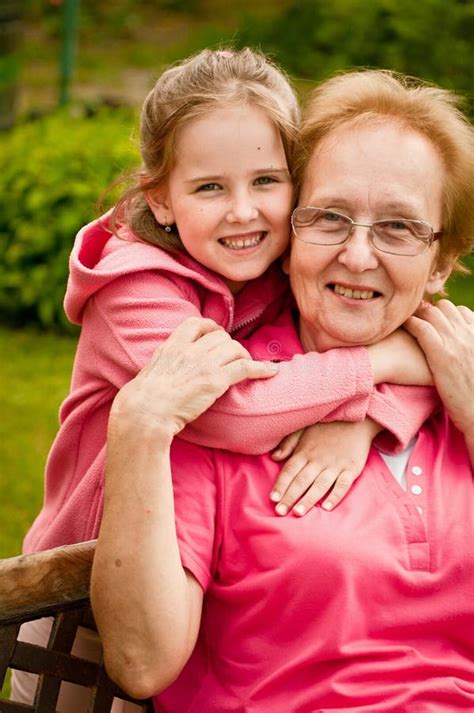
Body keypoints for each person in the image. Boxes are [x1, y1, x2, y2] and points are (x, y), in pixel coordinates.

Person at [11, 49, 436, 712]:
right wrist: (382, 364)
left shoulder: (279, 273)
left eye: (266, 180)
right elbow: (230, 413)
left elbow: (437, 360)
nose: (243, 211)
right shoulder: (134, 291)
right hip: (80, 588)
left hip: (195, 580)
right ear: (162, 198)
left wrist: (365, 419)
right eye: (210, 187)